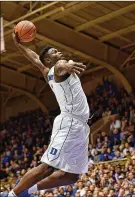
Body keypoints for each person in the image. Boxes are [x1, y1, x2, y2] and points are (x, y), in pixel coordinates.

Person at [6, 32, 90, 197]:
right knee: (47, 167)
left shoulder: (47, 71)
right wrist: (65, 66)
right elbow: (58, 67)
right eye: (54, 52)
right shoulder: (58, 70)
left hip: (81, 126)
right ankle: (12, 195)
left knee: (72, 176)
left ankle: (27, 192)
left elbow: (35, 59)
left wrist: (19, 45)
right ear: (50, 61)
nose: (58, 52)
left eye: (57, 50)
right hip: (70, 123)